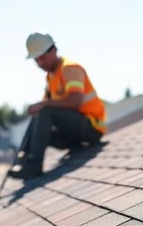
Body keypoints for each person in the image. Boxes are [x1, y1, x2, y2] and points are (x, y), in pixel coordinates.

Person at [18, 32, 106, 177]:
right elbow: (42, 115)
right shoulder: (51, 77)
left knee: (45, 111)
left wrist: (42, 105)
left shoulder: (69, 69)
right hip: (74, 135)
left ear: (53, 50)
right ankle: (23, 161)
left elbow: (76, 101)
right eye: (36, 59)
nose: (39, 63)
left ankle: (34, 165)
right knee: (38, 121)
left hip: (92, 128)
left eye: (42, 57)